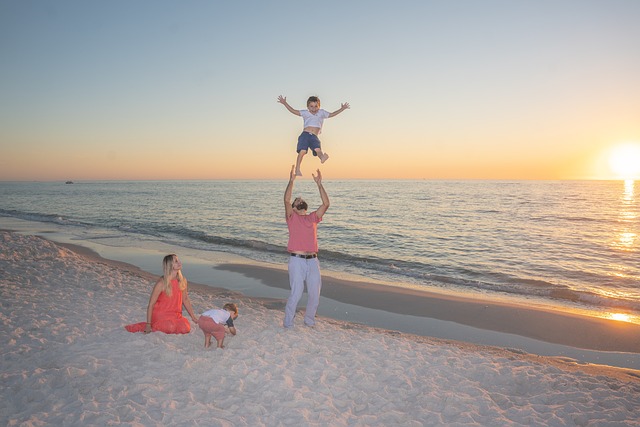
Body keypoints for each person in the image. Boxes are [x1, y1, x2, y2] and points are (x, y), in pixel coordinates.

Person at [283, 165, 330, 328]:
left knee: (314, 295)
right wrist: (291, 180)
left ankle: (309, 321)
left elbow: (326, 203)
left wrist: (319, 184)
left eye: (300, 200)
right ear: (294, 208)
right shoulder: (292, 218)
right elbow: (287, 199)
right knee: (296, 293)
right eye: (297, 201)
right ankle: (288, 323)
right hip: (297, 260)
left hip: (313, 261)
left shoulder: (312, 218)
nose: (299, 200)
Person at [277, 95, 350, 176]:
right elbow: (293, 111)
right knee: (302, 151)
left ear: (319, 106)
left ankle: (322, 158)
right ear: (308, 107)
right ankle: (297, 169)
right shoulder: (305, 113)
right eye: (311, 106)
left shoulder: (321, 113)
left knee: (318, 149)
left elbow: (332, 114)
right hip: (305, 135)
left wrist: (342, 109)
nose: (314, 108)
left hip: (314, 136)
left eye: (316, 106)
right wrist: (285, 103)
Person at [125, 254, 199, 334]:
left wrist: (193, 317)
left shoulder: (182, 281)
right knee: (169, 328)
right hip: (161, 315)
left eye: (178, 260)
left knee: (185, 329)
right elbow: (151, 304)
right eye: (176, 261)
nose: (179, 262)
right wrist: (148, 324)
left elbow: (185, 299)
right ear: (170, 265)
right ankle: (151, 326)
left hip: (175, 315)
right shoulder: (162, 283)